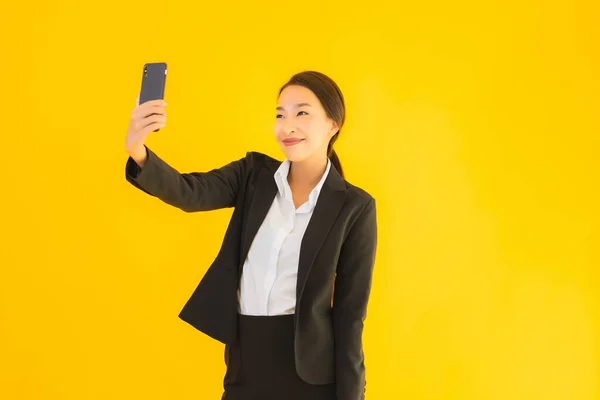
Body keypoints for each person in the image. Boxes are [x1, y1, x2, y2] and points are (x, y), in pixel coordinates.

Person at [124, 70, 378, 400]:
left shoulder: (355, 207)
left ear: (333, 124)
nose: (287, 126)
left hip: (313, 378)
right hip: (247, 366)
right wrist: (137, 149)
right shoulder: (252, 176)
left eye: (302, 113)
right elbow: (191, 192)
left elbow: (350, 315)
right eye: (279, 114)